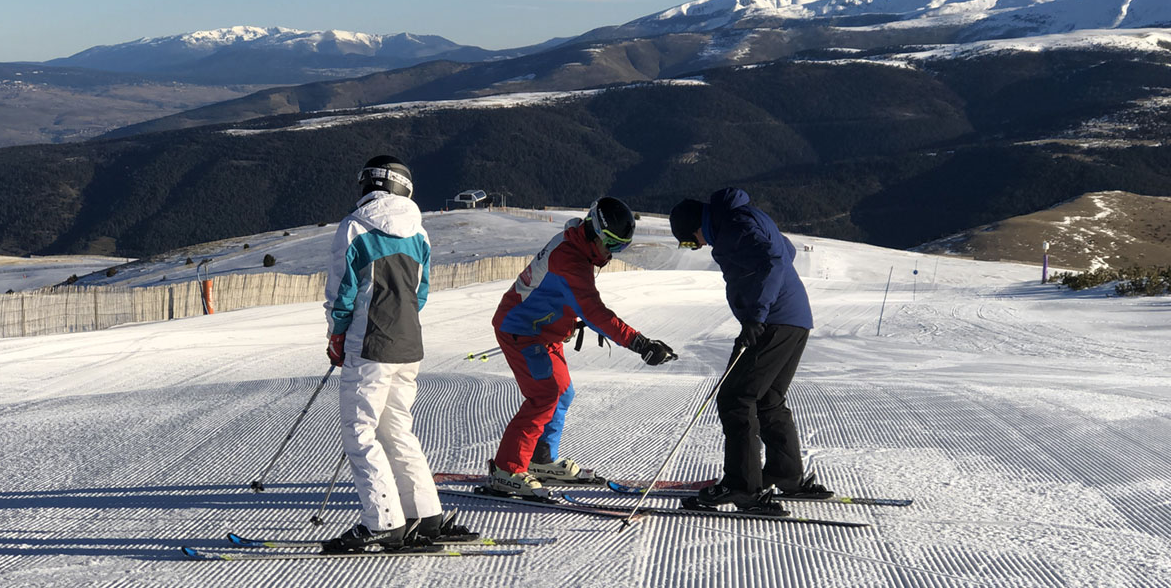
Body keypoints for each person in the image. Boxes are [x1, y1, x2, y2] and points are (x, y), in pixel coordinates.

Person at [320, 154, 476, 552]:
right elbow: (420, 294)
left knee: (360, 432)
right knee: (397, 430)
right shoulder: (419, 234)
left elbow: (342, 292)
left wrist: (337, 335)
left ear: (370, 186)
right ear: (404, 187)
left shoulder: (355, 228)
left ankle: (384, 521)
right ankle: (425, 516)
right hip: (409, 346)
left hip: (369, 344)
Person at [488, 197, 676, 496]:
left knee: (562, 392)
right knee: (544, 395)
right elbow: (594, 311)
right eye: (612, 246)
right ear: (596, 233)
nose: (613, 255)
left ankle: (540, 459)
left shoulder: (577, 244)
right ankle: (507, 469)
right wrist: (640, 344)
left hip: (543, 330)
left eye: (621, 248)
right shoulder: (570, 260)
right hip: (521, 330)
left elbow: (565, 296)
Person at [669, 188, 832, 512]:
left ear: (696, 226)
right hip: (796, 319)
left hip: (772, 321)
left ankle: (742, 486)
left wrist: (757, 314)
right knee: (768, 399)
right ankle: (787, 477)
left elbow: (772, 260)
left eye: (689, 241)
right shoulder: (746, 217)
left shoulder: (733, 227)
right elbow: (786, 250)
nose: (697, 246)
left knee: (736, 398)